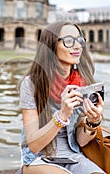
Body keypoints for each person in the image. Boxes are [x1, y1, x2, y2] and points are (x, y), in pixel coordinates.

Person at [18, 21, 105, 174]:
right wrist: (62, 115)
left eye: (79, 40)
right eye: (69, 41)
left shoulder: (82, 82)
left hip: (73, 156)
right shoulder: (31, 84)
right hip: (39, 159)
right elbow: (34, 145)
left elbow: (80, 141)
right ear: (50, 46)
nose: (77, 46)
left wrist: (93, 121)